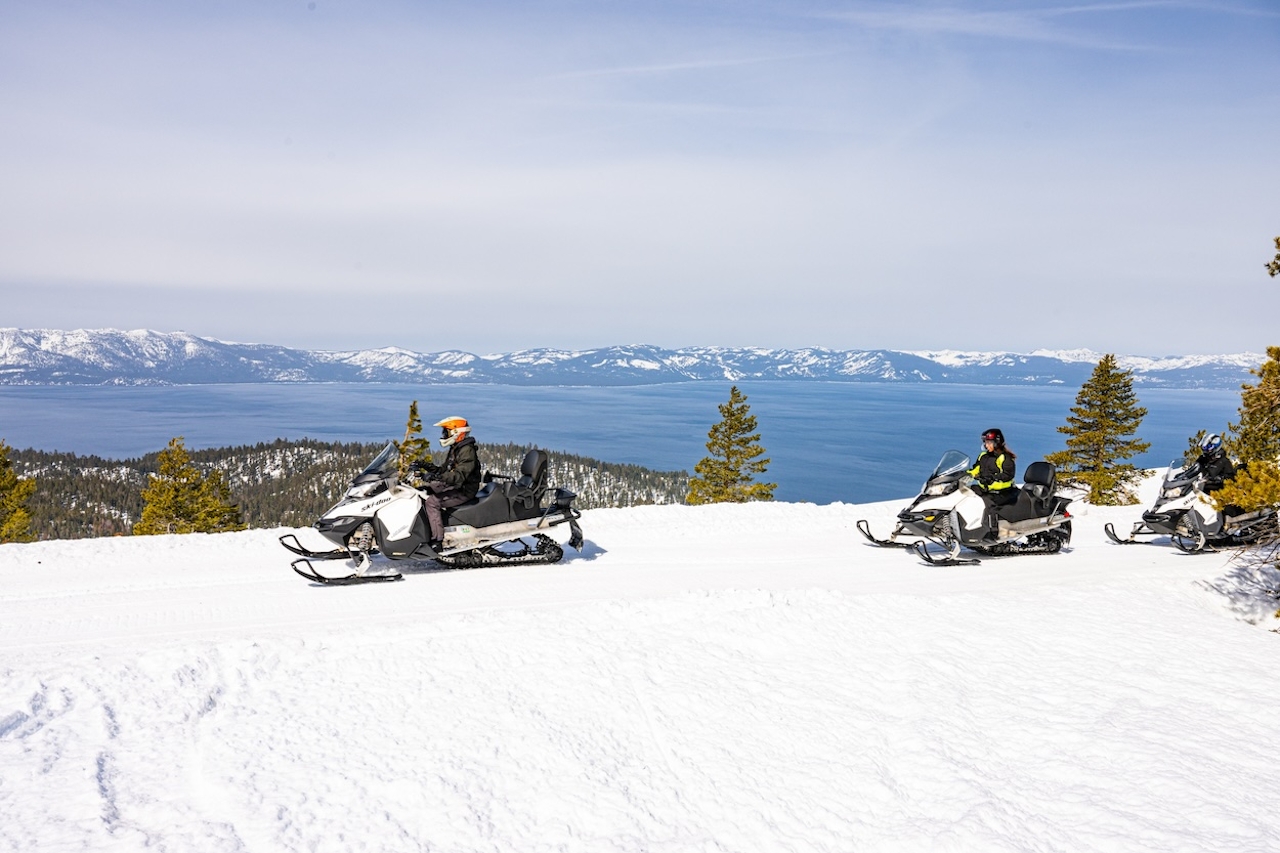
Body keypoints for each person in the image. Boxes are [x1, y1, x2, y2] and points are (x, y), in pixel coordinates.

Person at [422, 416, 483, 551]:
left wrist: (437, 476)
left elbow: (459, 475)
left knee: (432, 502)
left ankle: (437, 541)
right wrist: (426, 467)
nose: (444, 435)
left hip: (464, 490)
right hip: (457, 485)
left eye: (446, 432)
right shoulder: (457, 448)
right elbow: (445, 470)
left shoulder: (467, 451)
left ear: (457, 432)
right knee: (424, 491)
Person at [968, 427, 1017, 542]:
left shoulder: (1005, 458)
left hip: (1002, 491)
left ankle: (993, 534)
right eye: (985, 442)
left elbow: (1008, 475)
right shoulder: (983, 456)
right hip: (986, 489)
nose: (986, 445)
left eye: (989, 442)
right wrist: (965, 474)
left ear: (997, 443)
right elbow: (976, 469)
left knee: (988, 505)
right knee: (966, 494)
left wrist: (992, 479)